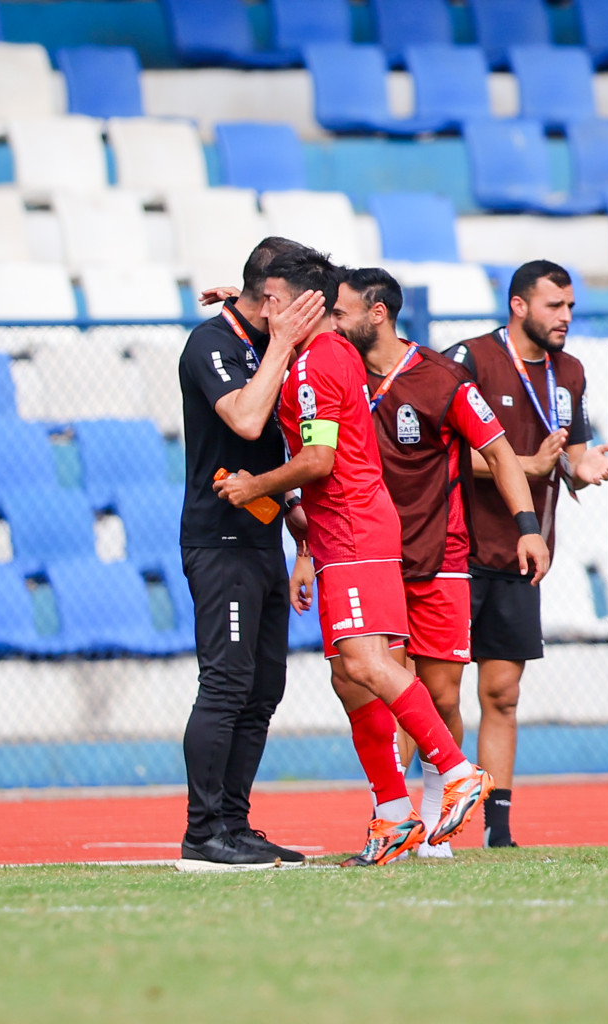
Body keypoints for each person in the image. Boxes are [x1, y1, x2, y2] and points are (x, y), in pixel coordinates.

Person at [214, 249, 496, 866]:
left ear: (302, 304)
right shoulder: (330, 349)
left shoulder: (316, 366)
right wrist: (243, 312)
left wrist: (252, 487)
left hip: (352, 529)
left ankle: (456, 771)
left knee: (369, 665)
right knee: (350, 677)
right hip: (349, 532)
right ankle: (394, 817)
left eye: (274, 300)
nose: (269, 312)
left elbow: (318, 462)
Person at [323, 267, 550, 858]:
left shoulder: (441, 378)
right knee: (375, 688)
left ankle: (434, 822)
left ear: (378, 313)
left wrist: (528, 528)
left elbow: (500, 455)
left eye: (342, 312)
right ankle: (393, 822)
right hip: (370, 555)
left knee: (442, 696)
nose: (333, 322)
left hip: (439, 556)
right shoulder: (338, 375)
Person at [443, 260, 608, 848]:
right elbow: (435, 456)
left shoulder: (570, 371)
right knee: (439, 691)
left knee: (502, 694)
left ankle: (498, 831)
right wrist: (524, 467)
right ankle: (416, 817)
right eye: (554, 307)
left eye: (570, 307)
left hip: (524, 556)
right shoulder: (469, 360)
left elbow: (573, 451)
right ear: (518, 305)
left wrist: (582, 466)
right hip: (457, 549)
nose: (565, 317)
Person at [176, 236, 319, 871]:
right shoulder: (210, 343)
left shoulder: (263, 337)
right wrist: (278, 339)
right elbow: (246, 421)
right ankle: (202, 833)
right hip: (219, 542)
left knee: (264, 689)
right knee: (227, 684)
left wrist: (301, 545)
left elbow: (274, 463)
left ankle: (235, 824)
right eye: (301, 305)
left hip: (263, 541)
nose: (308, 318)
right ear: (274, 299)